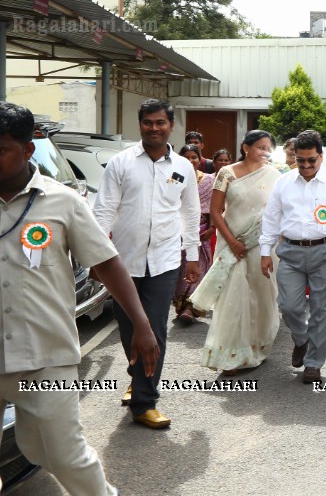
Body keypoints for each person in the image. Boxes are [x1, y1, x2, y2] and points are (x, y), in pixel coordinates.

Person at [0, 102, 159, 494]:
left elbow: (107, 264)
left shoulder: (63, 202)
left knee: (60, 454)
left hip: (45, 355)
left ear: (27, 150)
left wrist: (142, 324)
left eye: (0, 149)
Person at [93, 99, 201, 429]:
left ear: (171, 126)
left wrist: (193, 256)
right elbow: (103, 211)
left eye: (160, 122)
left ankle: (145, 402)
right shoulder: (120, 163)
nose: (154, 128)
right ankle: (137, 375)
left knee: (154, 330)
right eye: (147, 122)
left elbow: (190, 213)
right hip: (122, 262)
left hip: (165, 261)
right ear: (139, 125)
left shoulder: (182, 167)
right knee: (128, 330)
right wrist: (98, 257)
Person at [259, 130, 326, 384]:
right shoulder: (284, 182)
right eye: (301, 161)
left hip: (325, 252)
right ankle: (301, 339)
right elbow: (271, 218)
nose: (306, 166)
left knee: (322, 310)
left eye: (311, 160)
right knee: (289, 306)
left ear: (320, 157)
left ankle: (313, 363)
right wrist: (264, 251)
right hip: (290, 253)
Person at [191, 130, 282, 374]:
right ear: (245, 147)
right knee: (234, 298)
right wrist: (232, 241)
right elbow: (216, 211)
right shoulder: (227, 173)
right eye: (260, 147)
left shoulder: (274, 175)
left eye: (268, 148)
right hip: (233, 245)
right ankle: (230, 354)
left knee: (262, 297)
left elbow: (278, 212)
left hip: (262, 246)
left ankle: (257, 348)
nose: (265, 152)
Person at [173, 144, 215, 325]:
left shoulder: (208, 180)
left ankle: (192, 307)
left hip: (202, 232)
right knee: (180, 269)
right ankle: (181, 306)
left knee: (200, 267)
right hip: (177, 232)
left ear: (200, 159)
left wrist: (212, 228)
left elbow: (216, 207)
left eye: (194, 157)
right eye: (187, 157)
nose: (190, 161)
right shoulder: (174, 178)